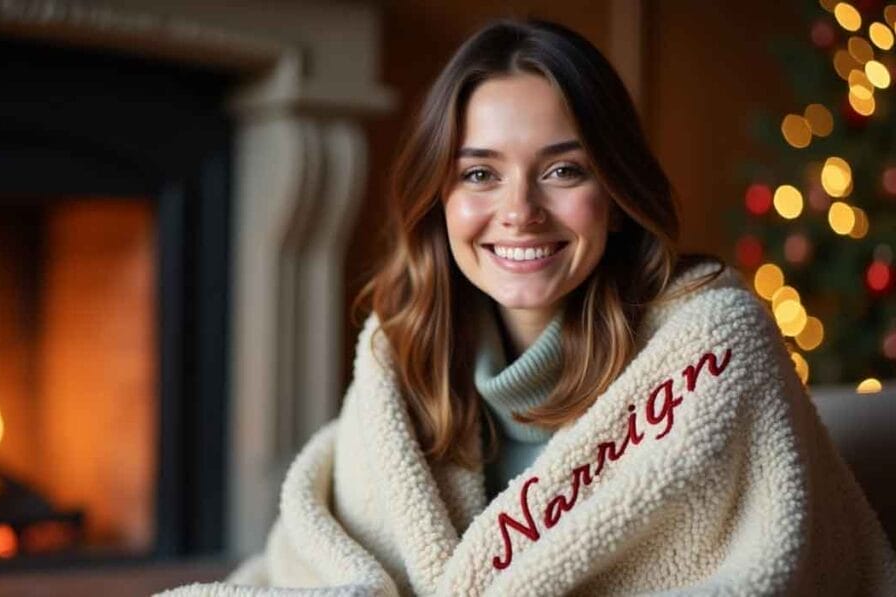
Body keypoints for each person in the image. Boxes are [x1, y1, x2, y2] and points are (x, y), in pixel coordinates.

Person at [161, 18, 896, 596]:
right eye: (479, 172)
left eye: (563, 170)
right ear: (439, 201)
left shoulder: (710, 345)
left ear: (614, 197)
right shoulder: (402, 353)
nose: (519, 211)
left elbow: (775, 568)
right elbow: (328, 557)